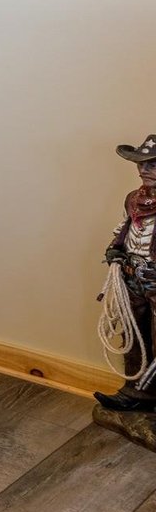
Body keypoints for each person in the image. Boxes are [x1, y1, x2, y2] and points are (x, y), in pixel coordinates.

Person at [98, 134, 156, 412]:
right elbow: (124, 228)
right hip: (133, 277)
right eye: (142, 164)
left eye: (153, 165)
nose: (144, 170)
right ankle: (135, 392)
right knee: (133, 333)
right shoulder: (134, 199)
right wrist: (115, 250)